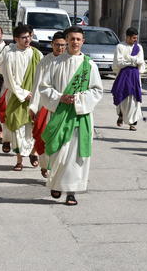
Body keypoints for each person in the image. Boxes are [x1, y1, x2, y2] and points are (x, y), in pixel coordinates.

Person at [40, 26, 103, 206]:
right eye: (72, 39)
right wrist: (60, 98)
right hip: (59, 113)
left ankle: (71, 191)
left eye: (78, 39)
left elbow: (97, 91)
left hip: (80, 116)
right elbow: (44, 88)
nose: (75, 42)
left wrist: (77, 99)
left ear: (83, 41)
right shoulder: (55, 63)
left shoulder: (89, 65)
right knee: (58, 151)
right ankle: (56, 183)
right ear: (66, 40)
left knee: (75, 155)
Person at [2, 24, 43, 171]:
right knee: (17, 128)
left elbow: (42, 78)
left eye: (29, 36)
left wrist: (35, 94)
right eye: (24, 37)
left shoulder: (37, 54)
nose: (27, 40)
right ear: (16, 39)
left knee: (33, 128)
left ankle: (33, 152)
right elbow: (9, 79)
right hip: (16, 97)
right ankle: (19, 161)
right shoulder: (10, 55)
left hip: (35, 97)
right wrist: (24, 94)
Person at [28, 31, 66, 178]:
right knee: (43, 134)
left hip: (62, 106)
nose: (60, 48)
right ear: (52, 45)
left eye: (63, 45)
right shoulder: (45, 61)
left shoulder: (68, 61)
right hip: (45, 104)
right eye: (57, 45)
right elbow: (37, 85)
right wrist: (33, 106)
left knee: (59, 139)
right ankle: (44, 164)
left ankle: (55, 168)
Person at [111, 27, 146, 131]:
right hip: (123, 75)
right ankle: (121, 114)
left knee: (134, 99)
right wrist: (133, 61)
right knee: (122, 96)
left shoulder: (138, 47)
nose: (135, 40)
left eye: (136, 38)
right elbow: (119, 62)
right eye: (133, 38)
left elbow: (141, 61)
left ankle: (132, 123)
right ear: (128, 37)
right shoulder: (120, 46)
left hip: (134, 75)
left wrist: (130, 60)